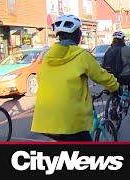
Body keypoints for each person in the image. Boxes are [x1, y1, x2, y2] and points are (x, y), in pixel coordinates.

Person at [31, 14, 119, 142]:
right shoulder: (82, 55)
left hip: (44, 120)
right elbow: (101, 76)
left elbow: (42, 78)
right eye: (80, 32)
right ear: (76, 34)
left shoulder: (47, 56)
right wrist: (115, 87)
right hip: (70, 121)